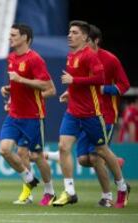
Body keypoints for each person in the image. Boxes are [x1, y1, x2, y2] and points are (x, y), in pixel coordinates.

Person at [52, 20, 130, 208]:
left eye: (74, 32)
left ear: (88, 38)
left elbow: (100, 80)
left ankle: (119, 187)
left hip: (95, 114)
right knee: (66, 149)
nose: (69, 35)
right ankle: (69, 191)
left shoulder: (97, 57)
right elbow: (79, 83)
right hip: (73, 112)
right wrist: (70, 91)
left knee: (98, 154)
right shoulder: (71, 56)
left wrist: (75, 81)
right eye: (69, 32)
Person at [0, 24, 56, 206]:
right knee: (5, 150)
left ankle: (50, 192)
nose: (10, 38)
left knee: (36, 156)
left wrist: (21, 80)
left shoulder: (35, 59)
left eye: (14, 35)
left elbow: (48, 87)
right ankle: (29, 178)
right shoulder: (11, 58)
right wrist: (8, 90)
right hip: (14, 115)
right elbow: (18, 86)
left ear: (25, 37)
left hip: (33, 116)